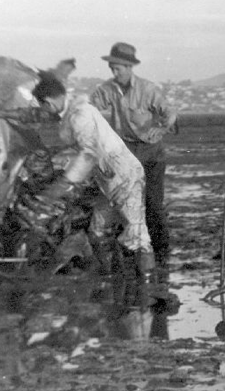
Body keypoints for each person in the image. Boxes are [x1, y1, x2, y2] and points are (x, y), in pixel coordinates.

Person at [31, 71, 157, 287]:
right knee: (97, 231)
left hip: (125, 176)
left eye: (42, 105)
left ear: (49, 101)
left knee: (138, 234)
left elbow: (88, 154)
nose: (43, 110)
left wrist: (62, 185)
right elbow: (79, 147)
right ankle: (112, 278)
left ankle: (148, 288)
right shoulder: (73, 113)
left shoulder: (80, 115)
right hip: (107, 181)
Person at [90, 43, 178, 273]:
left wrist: (160, 129)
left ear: (129, 67)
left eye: (117, 68)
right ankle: (130, 250)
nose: (114, 73)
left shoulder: (147, 90)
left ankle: (161, 252)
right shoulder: (108, 89)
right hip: (126, 154)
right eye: (112, 68)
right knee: (123, 203)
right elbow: (90, 108)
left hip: (151, 155)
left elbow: (169, 113)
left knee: (152, 204)